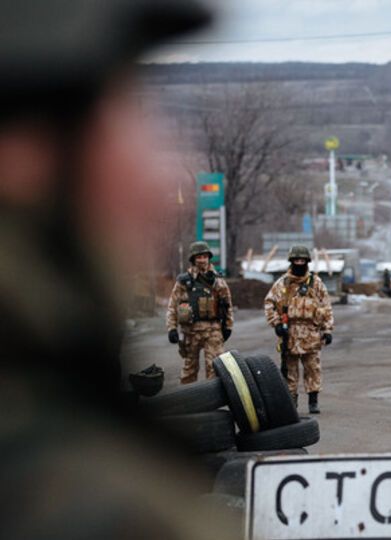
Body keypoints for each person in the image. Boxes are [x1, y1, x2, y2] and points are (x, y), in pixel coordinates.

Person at [0, 0, 240, 537]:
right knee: (194, 379)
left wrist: (219, 325)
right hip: (190, 340)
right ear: (20, 154)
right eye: (121, 114)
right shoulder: (75, 500)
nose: (157, 184)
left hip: (209, 336)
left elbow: (222, 304)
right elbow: (181, 306)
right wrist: (180, 326)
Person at [264, 245, 334, 414]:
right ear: (291, 261)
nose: (299, 263)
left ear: (307, 262)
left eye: (302, 260)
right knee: (290, 370)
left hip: (312, 333)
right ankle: (291, 401)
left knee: (313, 368)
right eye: (296, 260)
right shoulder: (282, 284)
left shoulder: (316, 284)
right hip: (290, 333)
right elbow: (269, 304)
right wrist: (277, 324)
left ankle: (313, 400)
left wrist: (327, 329)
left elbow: (326, 307)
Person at [166, 241, 234, 384]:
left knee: (215, 369)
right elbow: (172, 306)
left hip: (213, 331)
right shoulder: (184, 281)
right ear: (193, 259)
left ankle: (212, 402)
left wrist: (228, 327)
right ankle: (188, 402)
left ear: (209, 257)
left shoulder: (218, 280)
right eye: (198, 257)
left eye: (204, 256)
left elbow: (228, 305)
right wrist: (171, 328)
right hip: (191, 332)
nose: (202, 260)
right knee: (189, 371)